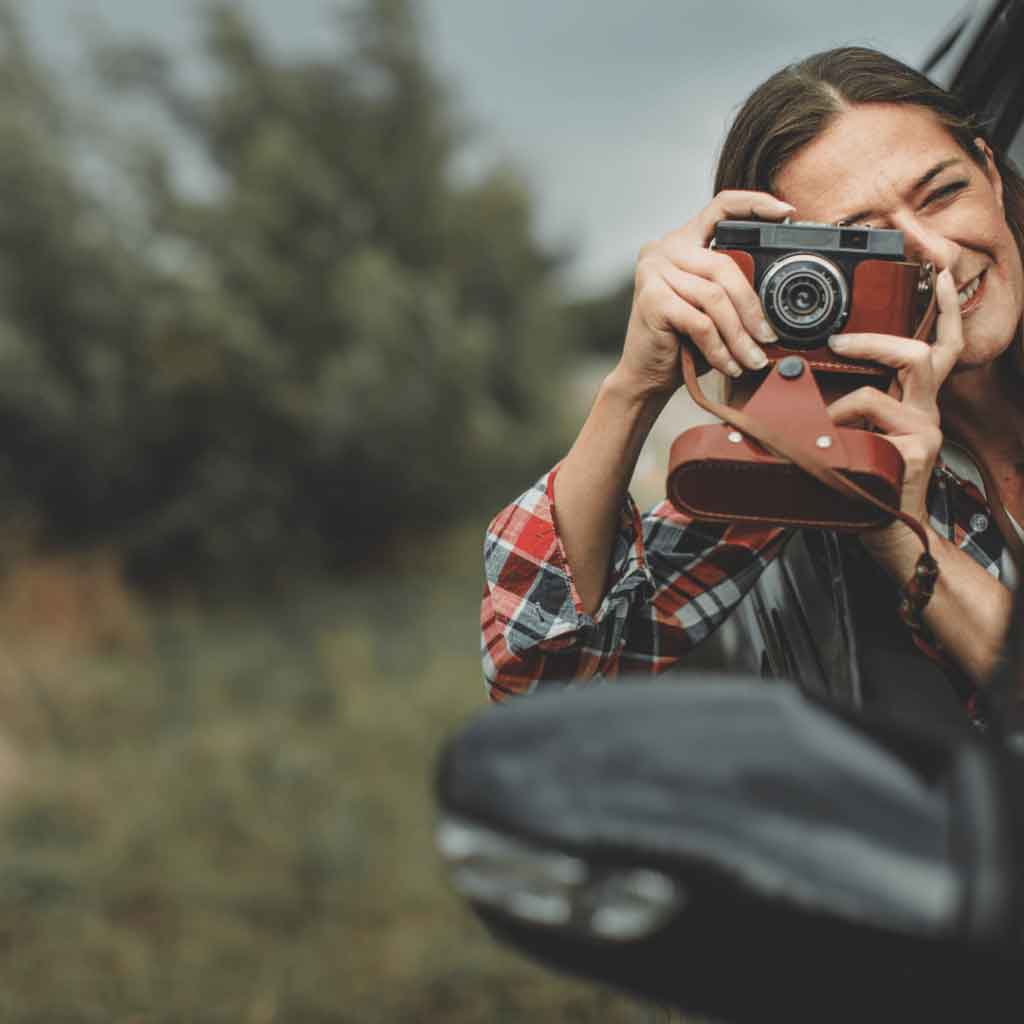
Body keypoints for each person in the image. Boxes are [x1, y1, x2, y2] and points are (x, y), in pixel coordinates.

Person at [481, 47, 1024, 719]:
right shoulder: (824, 443)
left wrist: (909, 545)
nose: (935, 254)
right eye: (866, 244)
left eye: (943, 194)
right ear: (799, 284)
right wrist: (636, 388)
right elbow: (543, 682)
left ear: (991, 175)